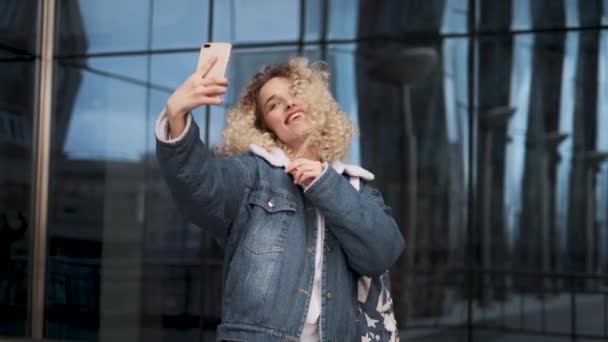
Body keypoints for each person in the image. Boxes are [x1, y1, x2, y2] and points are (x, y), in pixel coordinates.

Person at [155, 56, 405, 342]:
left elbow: (383, 252)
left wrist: (325, 184)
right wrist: (176, 117)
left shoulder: (357, 188)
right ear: (266, 127)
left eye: (296, 94)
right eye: (273, 104)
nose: (288, 104)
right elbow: (201, 188)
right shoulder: (252, 175)